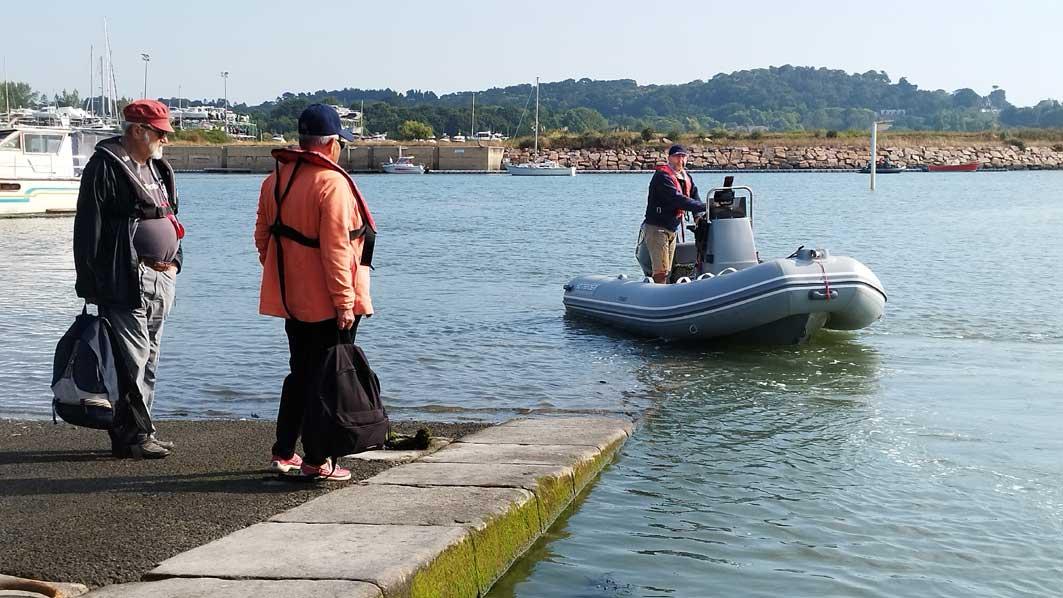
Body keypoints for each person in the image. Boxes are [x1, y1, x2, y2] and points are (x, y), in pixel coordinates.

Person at [254, 104, 376, 482]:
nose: (342, 149)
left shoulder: (274, 180)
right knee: (328, 379)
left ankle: (284, 451)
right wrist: (344, 303)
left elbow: (262, 237)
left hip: (292, 298)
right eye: (342, 142)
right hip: (327, 300)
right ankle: (318, 460)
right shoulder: (331, 183)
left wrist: (284, 272)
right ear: (329, 144)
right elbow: (338, 249)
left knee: (300, 374)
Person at [73, 99, 183, 459]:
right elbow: (89, 227)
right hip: (125, 278)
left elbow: (170, 217)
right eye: (160, 133)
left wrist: (176, 260)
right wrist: (90, 281)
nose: (165, 139)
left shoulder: (157, 169)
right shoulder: (104, 168)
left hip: (162, 276)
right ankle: (131, 435)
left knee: (149, 358)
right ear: (138, 130)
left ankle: (142, 429)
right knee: (130, 360)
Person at [642, 144, 706, 283]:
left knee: (668, 269)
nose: (680, 160)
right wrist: (705, 206)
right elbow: (677, 199)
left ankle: (667, 291)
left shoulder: (685, 176)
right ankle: (658, 295)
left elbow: (694, 195)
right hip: (657, 228)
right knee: (661, 270)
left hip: (672, 228)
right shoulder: (662, 177)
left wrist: (698, 216)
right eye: (677, 157)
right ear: (669, 158)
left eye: (683, 157)